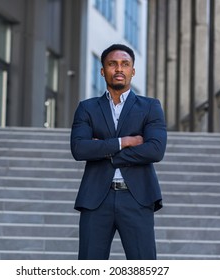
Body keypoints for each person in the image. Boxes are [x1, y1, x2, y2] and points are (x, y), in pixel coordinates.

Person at [70, 44, 167, 260]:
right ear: (103, 71)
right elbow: (79, 148)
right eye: (112, 64)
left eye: (125, 64)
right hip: (96, 199)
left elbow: (155, 150)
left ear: (133, 71)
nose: (119, 69)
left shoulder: (150, 107)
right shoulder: (87, 108)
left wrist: (104, 148)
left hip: (137, 197)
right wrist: (126, 142)